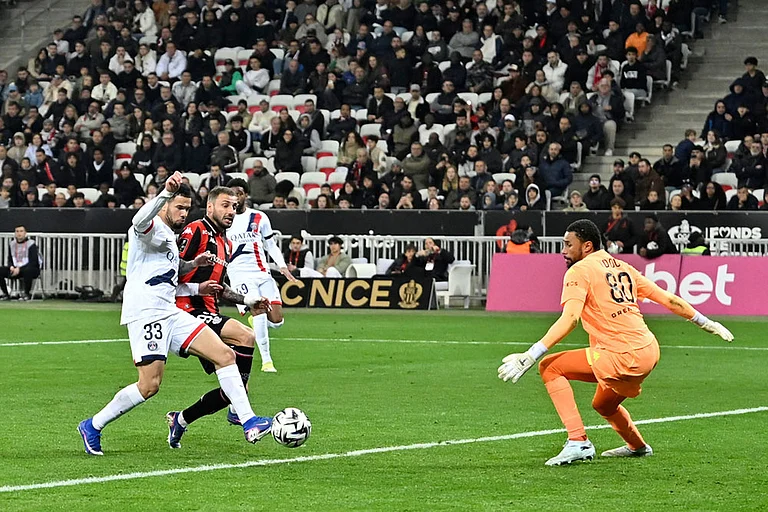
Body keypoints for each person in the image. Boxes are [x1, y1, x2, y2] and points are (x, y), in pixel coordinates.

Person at [497, 219, 734, 466]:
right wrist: (707, 323)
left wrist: (531, 354)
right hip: (649, 351)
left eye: (568, 245)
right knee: (603, 404)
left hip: (621, 354)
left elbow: (569, 320)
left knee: (549, 367)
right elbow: (667, 299)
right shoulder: (623, 267)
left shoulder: (579, 271)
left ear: (586, 246)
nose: (563, 251)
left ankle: (578, 441)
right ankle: (638, 446)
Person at [77, 173, 273, 456]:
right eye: (178, 207)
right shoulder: (150, 227)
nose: (183, 213)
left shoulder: (171, 236)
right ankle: (93, 425)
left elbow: (172, 273)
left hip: (170, 311)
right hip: (146, 314)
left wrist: (198, 281)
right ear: (167, 205)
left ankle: (249, 422)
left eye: (186, 208)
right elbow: (138, 221)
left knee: (225, 355)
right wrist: (163, 195)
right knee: (149, 386)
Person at [167, 186, 279, 446]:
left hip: (208, 311)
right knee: (246, 335)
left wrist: (247, 300)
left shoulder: (225, 242)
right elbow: (171, 272)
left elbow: (220, 287)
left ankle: (180, 420)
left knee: (233, 390)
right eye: (225, 205)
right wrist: (195, 279)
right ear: (210, 207)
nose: (232, 210)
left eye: (235, 206)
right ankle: (241, 414)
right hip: (185, 311)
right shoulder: (195, 230)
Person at [225, 178, 297, 374]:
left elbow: (270, 244)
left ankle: (258, 323)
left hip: (262, 272)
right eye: (231, 194)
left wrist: (282, 267)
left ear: (245, 195)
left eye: (238, 193)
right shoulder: (225, 219)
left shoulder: (259, 217)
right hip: (240, 274)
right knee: (257, 309)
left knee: (277, 321)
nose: (235, 198)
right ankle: (267, 361)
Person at [0, 226, 41, 301]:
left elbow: (33, 262)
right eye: (17, 231)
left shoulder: (31, 244)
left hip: (30, 269)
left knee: (28, 270)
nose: (19, 233)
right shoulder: (12, 244)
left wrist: (19, 269)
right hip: (15, 268)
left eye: (21, 231)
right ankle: (6, 294)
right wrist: (11, 267)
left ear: (25, 233)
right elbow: (10, 259)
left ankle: (26, 294)